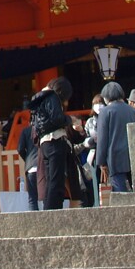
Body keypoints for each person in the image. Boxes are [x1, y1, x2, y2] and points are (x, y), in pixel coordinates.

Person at [28, 76, 76, 210]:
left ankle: (48, 212)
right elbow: (57, 118)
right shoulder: (52, 96)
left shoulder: (40, 99)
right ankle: (54, 212)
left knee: (50, 181)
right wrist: (69, 119)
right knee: (57, 182)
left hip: (45, 143)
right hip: (55, 141)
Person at [96, 82, 135, 193]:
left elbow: (102, 139)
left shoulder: (105, 112)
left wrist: (101, 162)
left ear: (106, 97)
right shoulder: (134, 112)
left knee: (120, 192)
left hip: (115, 157)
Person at [17, 120, 39, 211]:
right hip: (44, 166)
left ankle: (34, 219)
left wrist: (27, 158)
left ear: (29, 122)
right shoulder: (44, 129)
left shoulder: (26, 131)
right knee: (47, 197)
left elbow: (20, 149)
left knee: (32, 199)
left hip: (31, 167)